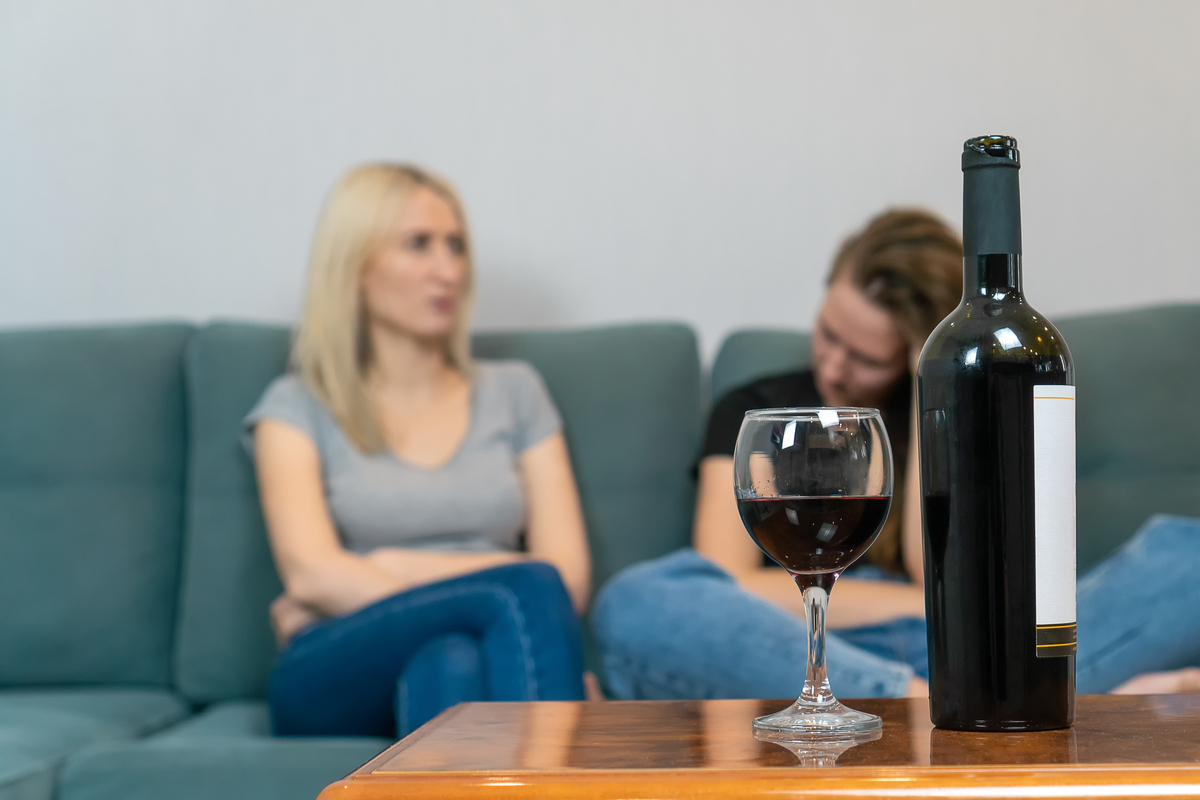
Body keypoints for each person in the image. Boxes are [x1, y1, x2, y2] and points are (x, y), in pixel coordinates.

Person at [593, 208, 1200, 700]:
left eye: (866, 359)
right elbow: (729, 586)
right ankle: (926, 702)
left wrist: (928, 384)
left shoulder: (951, 408)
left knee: (1184, 556)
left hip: (976, 645)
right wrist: (917, 606)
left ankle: (968, 702)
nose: (833, 367)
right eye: (828, 333)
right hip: (804, 651)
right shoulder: (754, 412)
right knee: (637, 602)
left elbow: (938, 564)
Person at [245, 163, 593, 738]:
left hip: (468, 641)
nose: (448, 270)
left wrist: (390, 567)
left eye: (456, 247)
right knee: (525, 588)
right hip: (336, 660)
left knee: (453, 659)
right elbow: (310, 573)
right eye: (419, 246)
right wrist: (498, 592)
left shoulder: (516, 391)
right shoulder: (296, 404)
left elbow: (570, 580)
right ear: (355, 266)